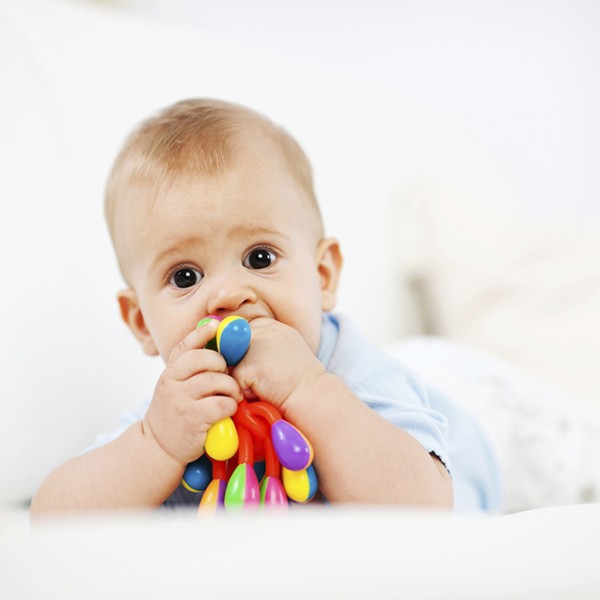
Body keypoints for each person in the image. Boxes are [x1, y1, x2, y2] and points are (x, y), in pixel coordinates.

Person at [31, 98, 501, 515]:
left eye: (259, 258)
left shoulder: (359, 375)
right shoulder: (176, 413)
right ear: (141, 323)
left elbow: (424, 505)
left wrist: (308, 388)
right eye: (185, 276)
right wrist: (155, 444)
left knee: (515, 414)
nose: (226, 296)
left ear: (322, 275)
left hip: (476, 426)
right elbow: (51, 518)